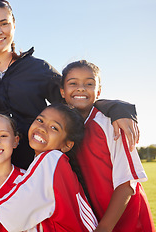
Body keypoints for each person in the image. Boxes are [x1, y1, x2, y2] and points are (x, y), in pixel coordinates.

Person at [0, 0, 139, 222]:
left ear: (14, 24)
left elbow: (75, 96)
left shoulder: (38, 68)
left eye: (4, 23)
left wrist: (119, 107)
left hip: (30, 172)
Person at [0, 104, 98, 232]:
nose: (42, 128)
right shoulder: (52, 165)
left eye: (54, 128)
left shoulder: (52, 159)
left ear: (67, 145)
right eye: (40, 120)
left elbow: (10, 209)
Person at [60, 60, 155, 232]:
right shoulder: (65, 129)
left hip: (129, 219)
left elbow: (127, 183)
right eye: (73, 83)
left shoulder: (113, 124)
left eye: (89, 83)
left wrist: (104, 227)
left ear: (99, 91)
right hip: (96, 217)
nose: (81, 88)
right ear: (62, 91)